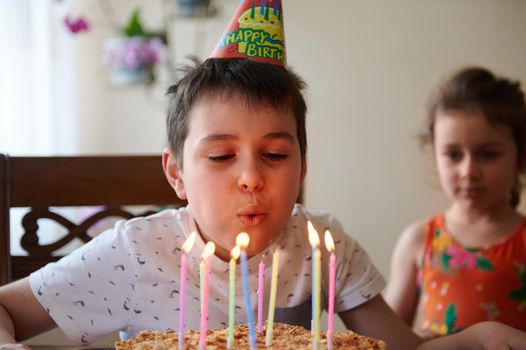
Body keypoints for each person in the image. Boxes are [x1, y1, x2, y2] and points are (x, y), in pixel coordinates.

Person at [2, 1, 526, 347]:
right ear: (176, 173)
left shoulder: (323, 248)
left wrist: (477, 339)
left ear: (303, 166)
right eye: (221, 156)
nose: (251, 177)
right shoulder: (136, 254)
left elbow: (400, 348)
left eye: (275, 155)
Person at [385, 66, 526, 340]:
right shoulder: (418, 241)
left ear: (520, 155)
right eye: (453, 155)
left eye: (488, 154)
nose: (469, 171)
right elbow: (385, 340)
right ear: (435, 154)